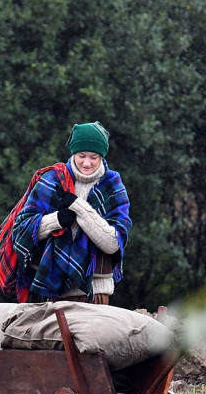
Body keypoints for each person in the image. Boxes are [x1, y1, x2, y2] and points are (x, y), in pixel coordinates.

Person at [12, 121, 131, 304]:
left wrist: (78, 208)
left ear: (102, 156)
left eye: (94, 157)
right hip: (47, 290)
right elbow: (21, 231)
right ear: (73, 153)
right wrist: (56, 220)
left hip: (94, 293)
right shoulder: (52, 180)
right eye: (81, 156)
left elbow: (113, 243)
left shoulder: (112, 185)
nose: (87, 163)